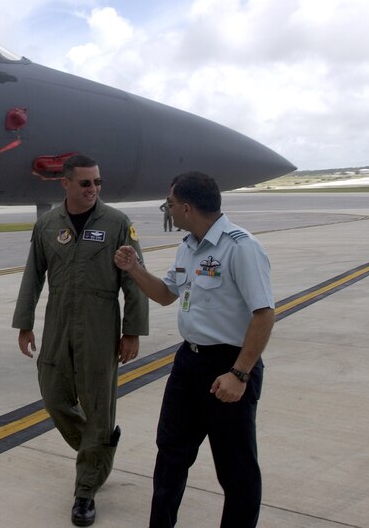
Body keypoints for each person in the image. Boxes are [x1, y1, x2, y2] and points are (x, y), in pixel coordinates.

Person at [114, 171, 275, 528]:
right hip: (189, 363)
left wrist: (239, 373)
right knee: (170, 454)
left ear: (186, 207)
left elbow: (264, 315)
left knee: (235, 470)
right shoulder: (188, 245)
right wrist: (134, 269)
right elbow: (166, 294)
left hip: (229, 366)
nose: (168, 209)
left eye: (169, 204)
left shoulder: (241, 247)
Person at [12, 154, 149, 527]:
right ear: (66, 183)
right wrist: (24, 324)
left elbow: (135, 279)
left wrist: (132, 331)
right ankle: (101, 446)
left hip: (101, 324)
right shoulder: (47, 224)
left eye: (98, 182)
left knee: (98, 405)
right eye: (86, 183)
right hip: (57, 320)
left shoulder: (117, 223)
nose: (94, 189)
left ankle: (85, 492)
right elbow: (32, 277)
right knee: (54, 397)